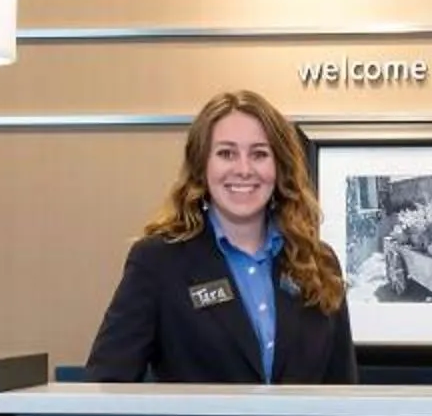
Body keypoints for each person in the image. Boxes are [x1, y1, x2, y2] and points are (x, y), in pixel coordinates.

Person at [84, 89, 358, 383]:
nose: (243, 169)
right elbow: (106, 387)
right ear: (202, 166)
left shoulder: (320, 263)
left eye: (259, 154)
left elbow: (344, 398)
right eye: (226, 153)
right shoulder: (158, 262)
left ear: (280, 167)